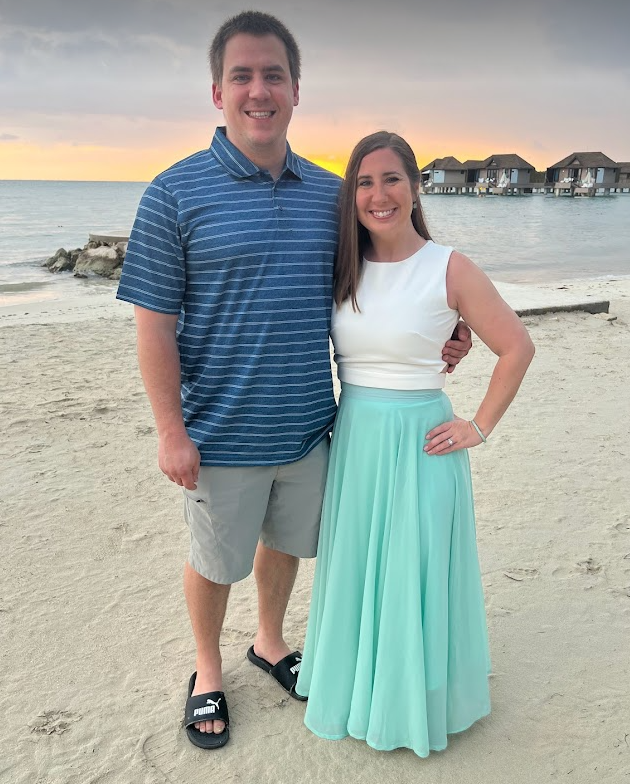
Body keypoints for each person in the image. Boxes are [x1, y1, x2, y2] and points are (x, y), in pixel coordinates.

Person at [116, 12, 471, 750]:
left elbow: (385, 270)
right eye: (242, 75)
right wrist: (170, 432)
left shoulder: (327, 194)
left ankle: (270, 642)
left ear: (296, 89)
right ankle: (208, 668)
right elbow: (153, 325)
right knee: (215, 558)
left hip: (313, 427)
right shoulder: (172, 193)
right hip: (219, 430)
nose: (258, 89)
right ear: (217, 91)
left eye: (272, 74)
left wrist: (449, 321)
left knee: (284, 545)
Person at [296, 131, 535, 757]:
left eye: (392, 179)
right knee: (359, 571)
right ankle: (358, 693)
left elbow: (517, 346)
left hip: (423, 439)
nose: (379, 194)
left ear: (415, 186)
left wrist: (478, 426)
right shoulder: (341, 266)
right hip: (357, 437)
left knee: (414, 572)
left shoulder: (449, 265)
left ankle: (414, 705)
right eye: (365, 183)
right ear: (352, 195)